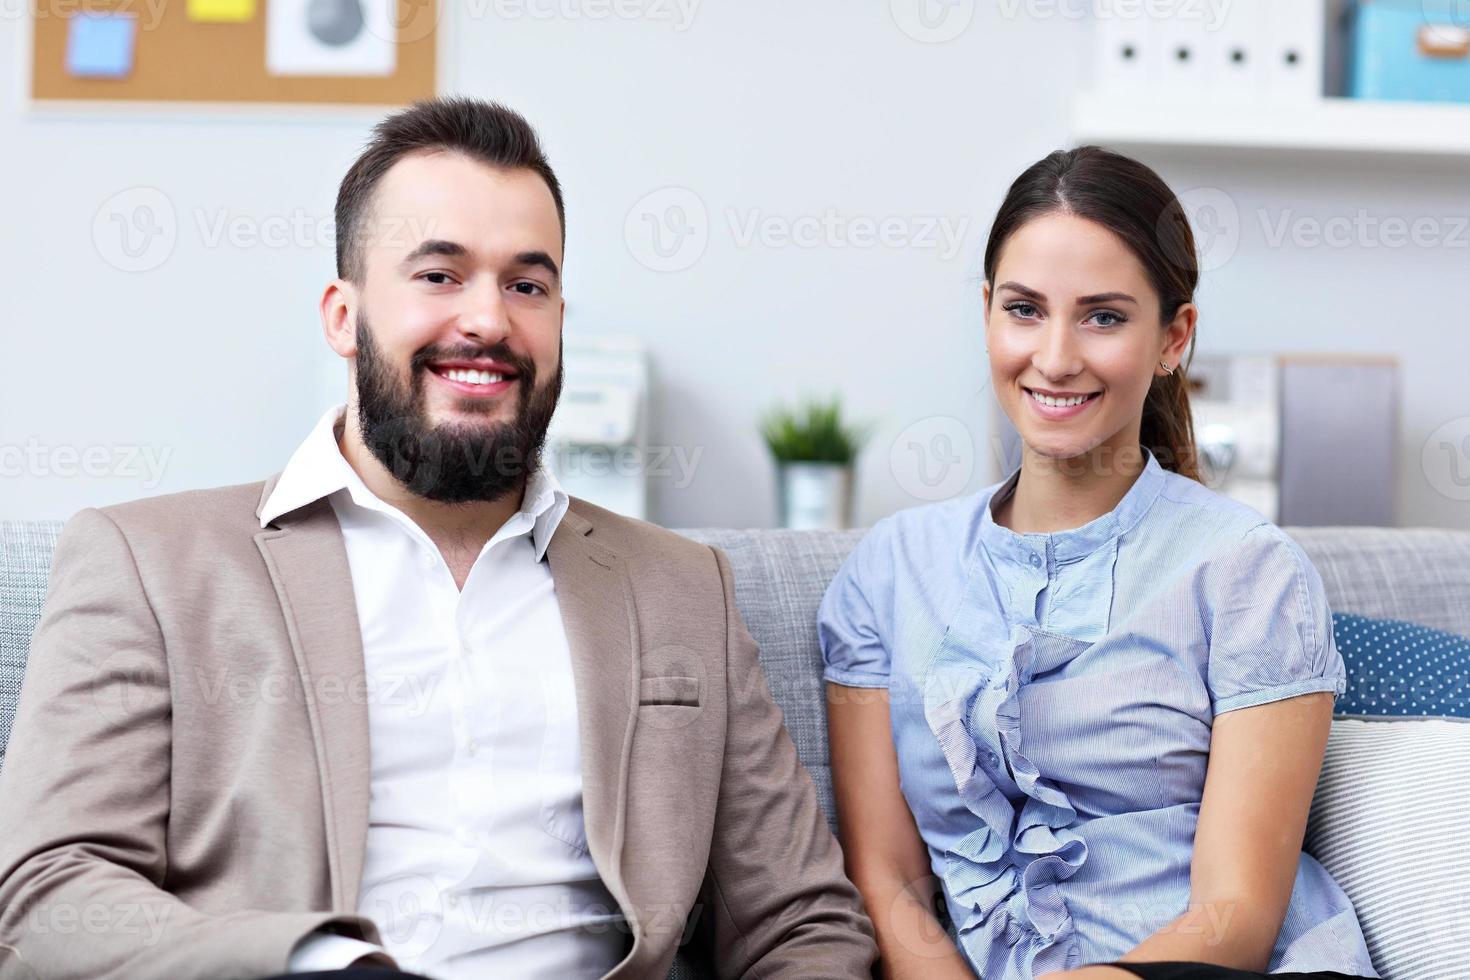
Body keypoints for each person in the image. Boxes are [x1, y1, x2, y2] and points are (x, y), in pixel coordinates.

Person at [0, 96, 875, 980]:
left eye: (527, 285)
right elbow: (46, 896)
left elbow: (802, 922)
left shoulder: (685, 588)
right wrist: (324, 966)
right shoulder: (149, 563)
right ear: (343, 317)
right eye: (438, 275)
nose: (489, 321)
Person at [818, 146, 1378, 980]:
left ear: (1172, 338)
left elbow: (1236, 917)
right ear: (986, 314)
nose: (1055, 357)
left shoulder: (1248, 572)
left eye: (1104, 317)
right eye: (1025, 310)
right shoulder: (889, 572)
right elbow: (891, 886)